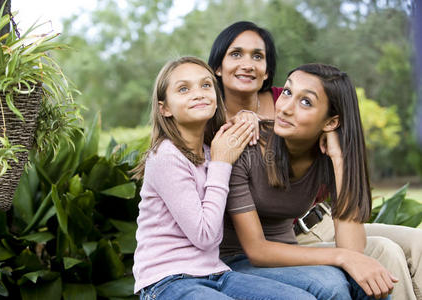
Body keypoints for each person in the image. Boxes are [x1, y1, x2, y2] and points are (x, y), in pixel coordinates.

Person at [208, 21, 421, 300]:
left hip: (312, 226)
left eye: (257, 56)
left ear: (268, 71)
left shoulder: (306, 127)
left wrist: (339, 157)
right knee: (385, 252)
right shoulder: (218, 124)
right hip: (255, 247)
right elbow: (256, 248)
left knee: (417, 242)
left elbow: (352, 248)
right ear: (217, 66)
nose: (247, 63)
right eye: (236, 54)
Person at [131, 56, 317, 300]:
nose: (198, 94)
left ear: (217, 98)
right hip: (167, 280)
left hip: (215, 273)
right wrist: (221, 163)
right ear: (164, 108)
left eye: (206, 85)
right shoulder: (166, 156)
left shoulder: (214, 149)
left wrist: (249, 117)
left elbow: (268, 136)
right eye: (184, 89)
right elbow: (205, 236)